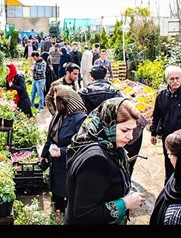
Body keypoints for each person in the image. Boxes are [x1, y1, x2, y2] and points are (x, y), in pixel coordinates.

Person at [65, 98, 146, 224]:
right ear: (108, 124)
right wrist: (125, 203)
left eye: (132, 130)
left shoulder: (110, 146)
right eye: (125, 130)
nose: (130, 137)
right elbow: (84, 214)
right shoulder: (96, 160)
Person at [40, 85, 87, 213]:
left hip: (68, 167)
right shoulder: (59, 114)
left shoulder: (80, 119)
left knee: (68, 198)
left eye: (56, 100)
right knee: (56, 197)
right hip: (55, 165)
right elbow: (50, 136)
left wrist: (61, 152)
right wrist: (44, 154)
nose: (54, 103)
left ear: (65, 102)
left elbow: (83, 147)